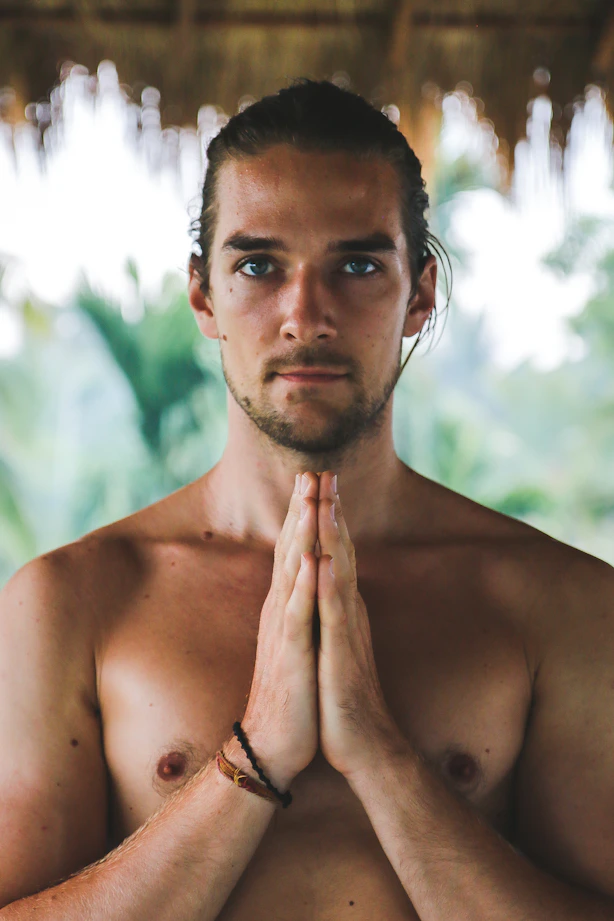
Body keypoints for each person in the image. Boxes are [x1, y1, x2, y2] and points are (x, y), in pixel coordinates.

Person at [1, 78, 613, 921]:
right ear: (203, 295)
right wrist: (253, 758)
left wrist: (379, 751)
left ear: (421, 293)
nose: (305, 313)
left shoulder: (563, 602)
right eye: (258, 264)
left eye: (358, 265)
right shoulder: (70, 600)